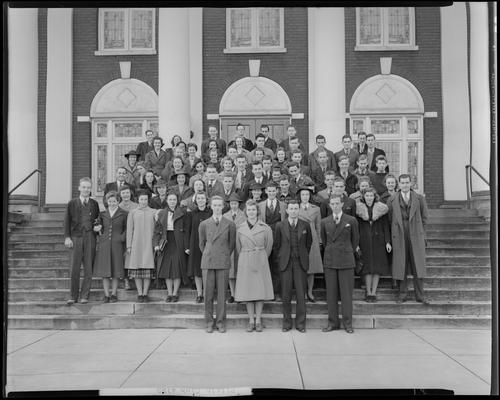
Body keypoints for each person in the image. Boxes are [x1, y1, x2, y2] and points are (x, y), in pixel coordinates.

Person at [387, 174, 430, 304]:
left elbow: (424, 218)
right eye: (402, 183)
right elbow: (389, 220)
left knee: (418, 265)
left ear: (411, 183)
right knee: (402, 264)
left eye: (407, 182)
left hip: (416, 234)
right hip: (399, 234)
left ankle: (420, 295)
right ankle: (402, 294)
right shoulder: (392, 199)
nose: (405, 185)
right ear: (398, 185)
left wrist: (423, 235)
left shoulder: (419, 198)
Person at [321, 194, 360, 334]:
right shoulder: (324, 221)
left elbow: (355, 240)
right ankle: (332, 323)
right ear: (329, 205)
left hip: (346, 260)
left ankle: (348, 324)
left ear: (342, 204)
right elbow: (324, 241)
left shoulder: (351, 220)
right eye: (332, 203)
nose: (335, 206)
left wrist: (346, 250)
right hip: (330, 261)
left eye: (337, 203)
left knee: (346, 295)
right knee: (331, 294)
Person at [199, 196, 237, 333]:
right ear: (211, 206)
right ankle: (209, 322)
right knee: (207, 294)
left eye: (219, 205)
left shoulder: (230, 224)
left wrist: (223, 254)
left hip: (223, 261)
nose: (217, 207)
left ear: (223, 206)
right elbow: (201, 244)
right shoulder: (204, 224)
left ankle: (220, 322)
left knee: (222, 294)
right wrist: (210, 254)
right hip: (208, 262)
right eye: (214, 205)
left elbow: (231, 244)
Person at [235, 200, 274, 332]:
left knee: (259, 291)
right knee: (248, 291)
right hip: (245, 260)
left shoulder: (266, 228)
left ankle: (258, 319)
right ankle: (251, 320)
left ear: (257, 211)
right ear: (246, 212)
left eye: (253, 209)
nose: (251, 212)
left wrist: (261, 257)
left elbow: (269, 246)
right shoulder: (240, 228)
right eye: (249, 210)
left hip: (260, 260)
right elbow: (238, 247)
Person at [273, 200, 313, 333]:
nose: (294, 211)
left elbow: (309, 244)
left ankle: (301, 324)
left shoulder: (305, 225)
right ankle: (287, 323)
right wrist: (281, 259)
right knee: (286, 294)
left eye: (296, 208)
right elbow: (277, 245)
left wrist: (301, 256)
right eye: (291, 208)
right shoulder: (280, 225)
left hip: (300, 263)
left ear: (299, 210)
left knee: (301, 295)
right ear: (287, 210)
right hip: (285, 263)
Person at [64, 177, 100, 305]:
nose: (86, 190)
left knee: (88, 268)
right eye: (84, 187)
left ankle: (85, 295)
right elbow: (67, 221)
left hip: (90, 237)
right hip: (76, 237)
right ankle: (73, 296)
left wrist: (98, 226)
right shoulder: (72, 203)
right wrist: (67, 237)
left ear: (91, 189)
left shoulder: (94, 204)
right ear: (79, 188)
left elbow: (97, 220)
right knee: (74, 267)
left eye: (88, 188)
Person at [356, 188, 391, 302]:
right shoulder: (359, 210)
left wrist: (387, 242)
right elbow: (356, 228)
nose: (369, 198)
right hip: (364, 241)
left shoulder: (381, 209)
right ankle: (368, 291)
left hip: (378, 241)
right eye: (367, 196)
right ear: (364, 197)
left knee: (376, 268)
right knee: (367, 267)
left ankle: (374, 292)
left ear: (374, 197)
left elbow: (386, 227)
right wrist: (356, 243)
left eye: (371, 195)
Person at [93, 191, 128, 303]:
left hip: (117, 244)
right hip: (105, 244)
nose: (112, 203)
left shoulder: (124, 213)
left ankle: (114, 294)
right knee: (105, 271)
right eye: (110, 201)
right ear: (107, 202)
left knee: (116, 270)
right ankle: (106, 295)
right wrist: (98, 230)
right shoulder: (102, 214)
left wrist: (122, 237)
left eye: (114, 201)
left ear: (118, 201)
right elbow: (98, 225)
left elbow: (128, 228)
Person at [155, 192, 189, 302]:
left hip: (178, 241)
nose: (172, 202)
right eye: (170, 199)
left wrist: (186, 245)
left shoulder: (183, 212)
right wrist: (156, 244)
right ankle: (169, 293)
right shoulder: (161, 213)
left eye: (174, 199)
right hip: (166, 241)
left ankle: (175, 293)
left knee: (177, 268)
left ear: (177, 201)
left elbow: (186, 230)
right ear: (166, 201)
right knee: (167, 269)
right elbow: (157, 231)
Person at [126, 190, 157, 303]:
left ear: (148, 200)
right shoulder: (133, 212)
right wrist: (129, 245)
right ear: (138, 200)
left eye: (145, 199)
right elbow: (130, 229)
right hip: (136, 244)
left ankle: (145, 293)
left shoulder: (153, 212)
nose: (143, 201)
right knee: (137, 270)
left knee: (148, 270)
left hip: (149, 243)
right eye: (141, 199)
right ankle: (139, 293)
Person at [258, 181, 286, 301]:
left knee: (277, 265)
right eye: (269, 191)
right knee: (265, 265)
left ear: (277, 191)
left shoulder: (283, 205)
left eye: (274, 190)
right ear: (266, 191)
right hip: (265, 239)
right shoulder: (260, 205)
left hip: (279, 239)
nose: (272, 193)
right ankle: (265, 292)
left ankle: (277, 292)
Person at [186, 191, 212, 303]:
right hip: (195, 243)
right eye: (198, 198)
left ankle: (207, 293)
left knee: (207, 269)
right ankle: (199, 293)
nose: (200, 200)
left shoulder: (211, 212)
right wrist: (187, 246)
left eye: (203, 198)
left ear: (206, 200)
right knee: (197, 269)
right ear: (195, 200)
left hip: (209, 244)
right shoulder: (192, 213)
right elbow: (188, 230)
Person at [297, 187, 323, 303]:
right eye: (303, 195)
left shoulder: (316, 209)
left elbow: (318, 226)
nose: (305, 197)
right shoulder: (295, 208)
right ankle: (301, 292)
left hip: (312, 239)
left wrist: (319, 240)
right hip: (300, 238)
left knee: (311, 267)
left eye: (307, 195)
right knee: (301, 267)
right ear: (300, 196)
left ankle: (310, 292)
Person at [223, 193, 246, 303]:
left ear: (239, 204)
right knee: (231, 272)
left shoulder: (244, 215)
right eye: (232, 203)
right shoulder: (225, 216)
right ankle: (232, 294)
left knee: (240, 270)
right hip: (230, 246)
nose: (234, 205)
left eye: (236, 203)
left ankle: (240, 294)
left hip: (241, 245)